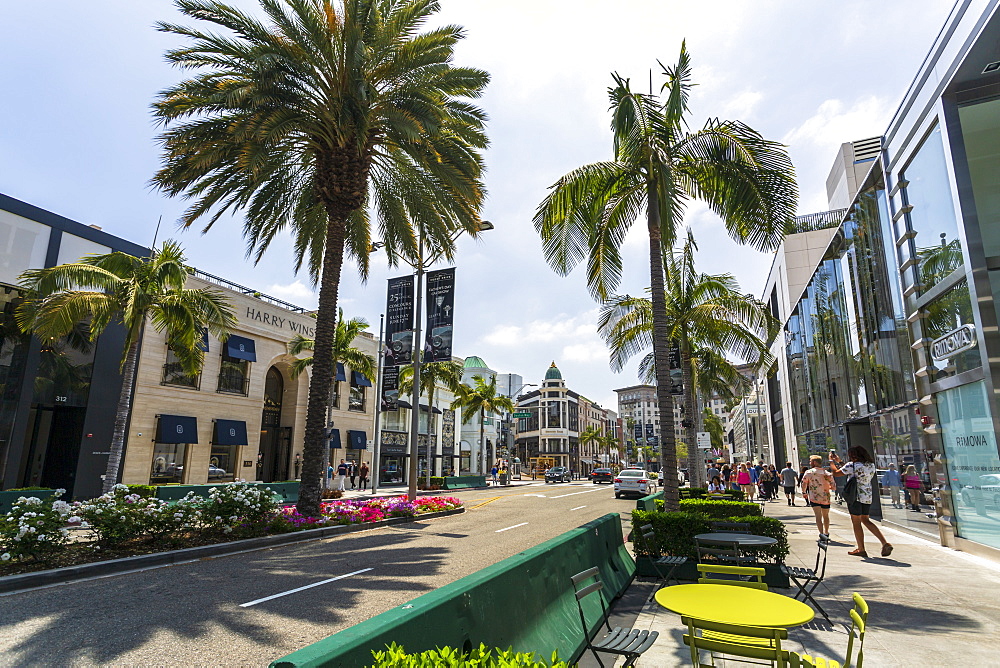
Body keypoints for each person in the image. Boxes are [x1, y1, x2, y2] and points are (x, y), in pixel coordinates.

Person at [831, 447, 893, 558]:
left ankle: (861, 548)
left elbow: (836, 473)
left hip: (855, 497)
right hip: (867, 496)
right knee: (866, 519)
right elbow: (855, 470)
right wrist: (839, 462)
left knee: (856, 522)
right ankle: (884, 542)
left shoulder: (852, 465)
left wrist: (831, 462)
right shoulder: (871, 465)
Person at [801, 455, 835, 540]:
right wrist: (827, 487)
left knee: (818, 516)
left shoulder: (809, 472)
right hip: (825, 497)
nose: (809, 463)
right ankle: (826, 532)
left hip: (814, 497)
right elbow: (834, 486)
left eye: (810, 461)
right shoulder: (827, 473)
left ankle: (821, 534)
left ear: (814, 462)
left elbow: (804, 483)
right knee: (826, 516)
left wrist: (804, 492)